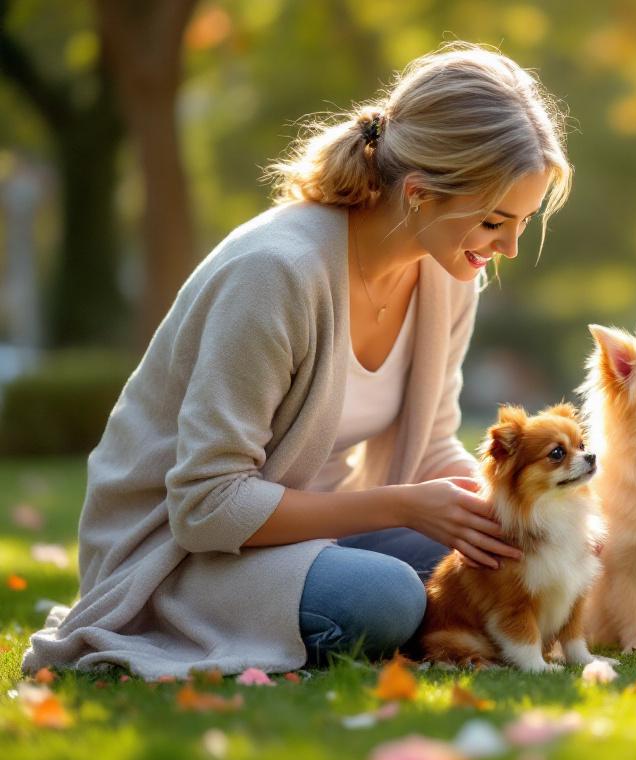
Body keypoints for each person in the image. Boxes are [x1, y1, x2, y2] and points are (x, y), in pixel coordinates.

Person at [23, 42, 572, 679]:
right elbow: (206, 506)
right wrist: (401, 506)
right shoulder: (275, 273)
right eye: (493, 222)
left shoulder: (449, 273)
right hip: (179, 556)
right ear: (420, 194)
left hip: (314, 534)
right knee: (387, 597)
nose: (507, 246)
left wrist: (534, 520)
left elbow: (430, 451)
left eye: (523, 223)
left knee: (520, 555)